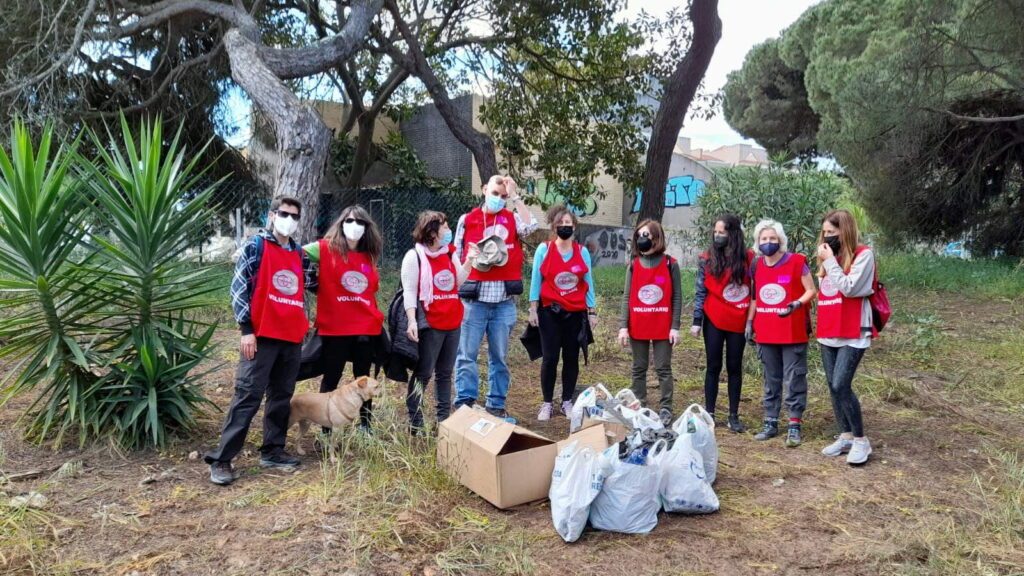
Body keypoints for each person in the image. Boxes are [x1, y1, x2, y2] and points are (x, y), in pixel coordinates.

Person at [206, 196, 317, 486]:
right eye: (284, 214)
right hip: (261, 336)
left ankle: (273, 450)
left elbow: (313, 284)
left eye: (295, 216)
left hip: (291, 338)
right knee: (248, 396)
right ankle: (222, 459)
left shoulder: (300, 255)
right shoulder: (255, 247)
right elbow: (238, 288)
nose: (289, 220)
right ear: (271, 215)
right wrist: (246, 330)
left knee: (281, 396)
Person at [452, 175, 538, 422]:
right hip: (473, 301)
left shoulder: (511, 219)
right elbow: (456, 255)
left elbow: (531, 226)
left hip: (503, 303)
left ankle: (495, 405)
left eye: (503, 195)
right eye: (495, 193)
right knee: (467, 355)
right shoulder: (467, 220)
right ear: (483, 190)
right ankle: (465, 404)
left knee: (499, 357)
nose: (499, 199)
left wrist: (515, 196)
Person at [304, 205, 384, 433]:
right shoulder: (324, 248)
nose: (354, 226)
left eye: (360, 222)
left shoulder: (369, 255)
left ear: (367, 228)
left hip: (366, 327)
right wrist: (312, 282)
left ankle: (365, 426)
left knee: (364, 379)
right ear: (340, 224)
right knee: (332, 377)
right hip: (335, 327)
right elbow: (293, 253)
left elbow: (372, 288)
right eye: (349, 221)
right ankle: (325, 428)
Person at [400, 210, 474, 434]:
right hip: (430, 323)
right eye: (445, 225)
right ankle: (415, 420)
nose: (448, 229)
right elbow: (410, 292)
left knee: (445, 372)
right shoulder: (414, 256)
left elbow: (458, 281)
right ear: (432, 230)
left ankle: (442, 420)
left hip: (453, 320)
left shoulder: (449, 252)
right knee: (424, 372)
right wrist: (412, 320)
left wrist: (470, 261)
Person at [747, 219, 817, 447]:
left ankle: (794, 423)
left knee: (794, 377)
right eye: (764, 239)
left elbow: (811, 290)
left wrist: (796, 304)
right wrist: (750, 322)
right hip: (766, 331)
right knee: (771, 378)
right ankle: (770, 421)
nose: (768, 243)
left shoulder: (797, 262)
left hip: (792, 331)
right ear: (758, 242)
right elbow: (756, 298)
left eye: (772, 239)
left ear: (781, 240)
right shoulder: (756, 265)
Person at [815, 209, 875, 465]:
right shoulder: (830, 256)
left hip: (853, 331)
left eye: (832, 232)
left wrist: (829, 262)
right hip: (829, 329)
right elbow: (827, 291)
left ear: (845, 231)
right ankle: (846, 435)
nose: (827, 237)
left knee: (841, 384)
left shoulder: (864, 256)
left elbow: (850, 288)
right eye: (825, 232)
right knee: (832, 386)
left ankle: (862, 441)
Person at [528, 205, 598, 421]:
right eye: (561, 224)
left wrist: (592, 311)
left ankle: (567, 400)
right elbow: (535, 281)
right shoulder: (544, 250)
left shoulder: (582, 252)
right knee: (550, 358)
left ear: (574, 226)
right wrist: (533, 308)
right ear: (554, 227)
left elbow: (588, 283)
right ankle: (547, 403)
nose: (565, 227)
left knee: (571, 358)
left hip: (575, 313)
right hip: (550, 312)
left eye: (568, 224)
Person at [692, 214, 753, 433]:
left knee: (734, 366)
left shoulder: (749, 258)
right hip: (714, 318)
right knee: (713, 365)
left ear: (733, 234)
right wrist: (696, 320)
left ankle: (733, 415)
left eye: (722, 233)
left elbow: (755, 290)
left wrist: (752, 321)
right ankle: (709, 413)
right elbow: (701, 290)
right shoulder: (706, 258)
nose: (717, 236)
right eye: (715, 232)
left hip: (738, 318)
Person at [617, 220, 682, 422]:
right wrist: (623, 327)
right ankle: (640, 404)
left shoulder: (671, 264)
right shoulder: (633, 266)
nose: (642, 239)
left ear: (656, 237)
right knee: (639, 367)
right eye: (639, 235)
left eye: (646, 234)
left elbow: (677, 297)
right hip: (638, 325)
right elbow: (627, 298)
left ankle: (666, 407)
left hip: (663, 325)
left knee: (663, 368)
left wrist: (675, 327)